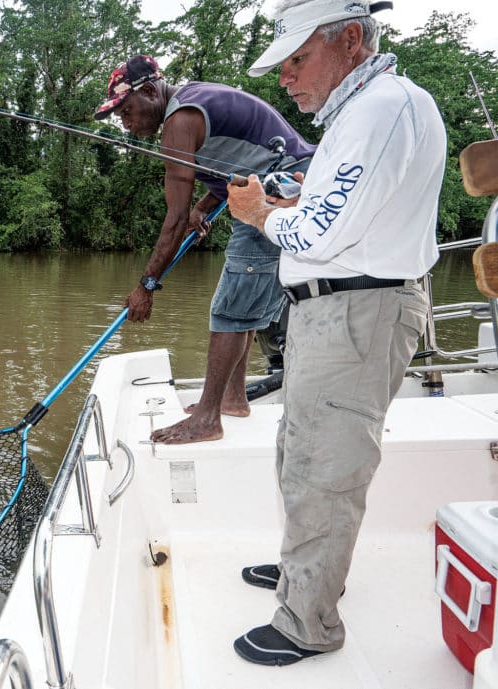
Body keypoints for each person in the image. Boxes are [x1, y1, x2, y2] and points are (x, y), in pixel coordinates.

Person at [225, 0, 445, 665]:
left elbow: (319, 233)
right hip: (336, 311)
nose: (286, 78)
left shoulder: (382, 109)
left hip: (357, 312)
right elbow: (334, 211)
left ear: (351, 39)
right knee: (301, 453)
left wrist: (261, 211)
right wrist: (290, 200)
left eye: (297, 59)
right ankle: (305, 572)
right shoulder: (365, 112)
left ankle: (307, 622)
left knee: (326, 468)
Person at [94, 55, 316, 444]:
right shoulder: (193, 101)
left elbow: (174, 218)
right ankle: (232, 399)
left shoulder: (179, 121)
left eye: (126, 111)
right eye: (119, 117)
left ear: (150, 92)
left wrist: (146, 285)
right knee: (241, 307)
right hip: (281, 188)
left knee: (229, 310)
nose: (125, 123)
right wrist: (203, 207)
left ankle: (207, 419)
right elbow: (235, 164)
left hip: (281, 192)